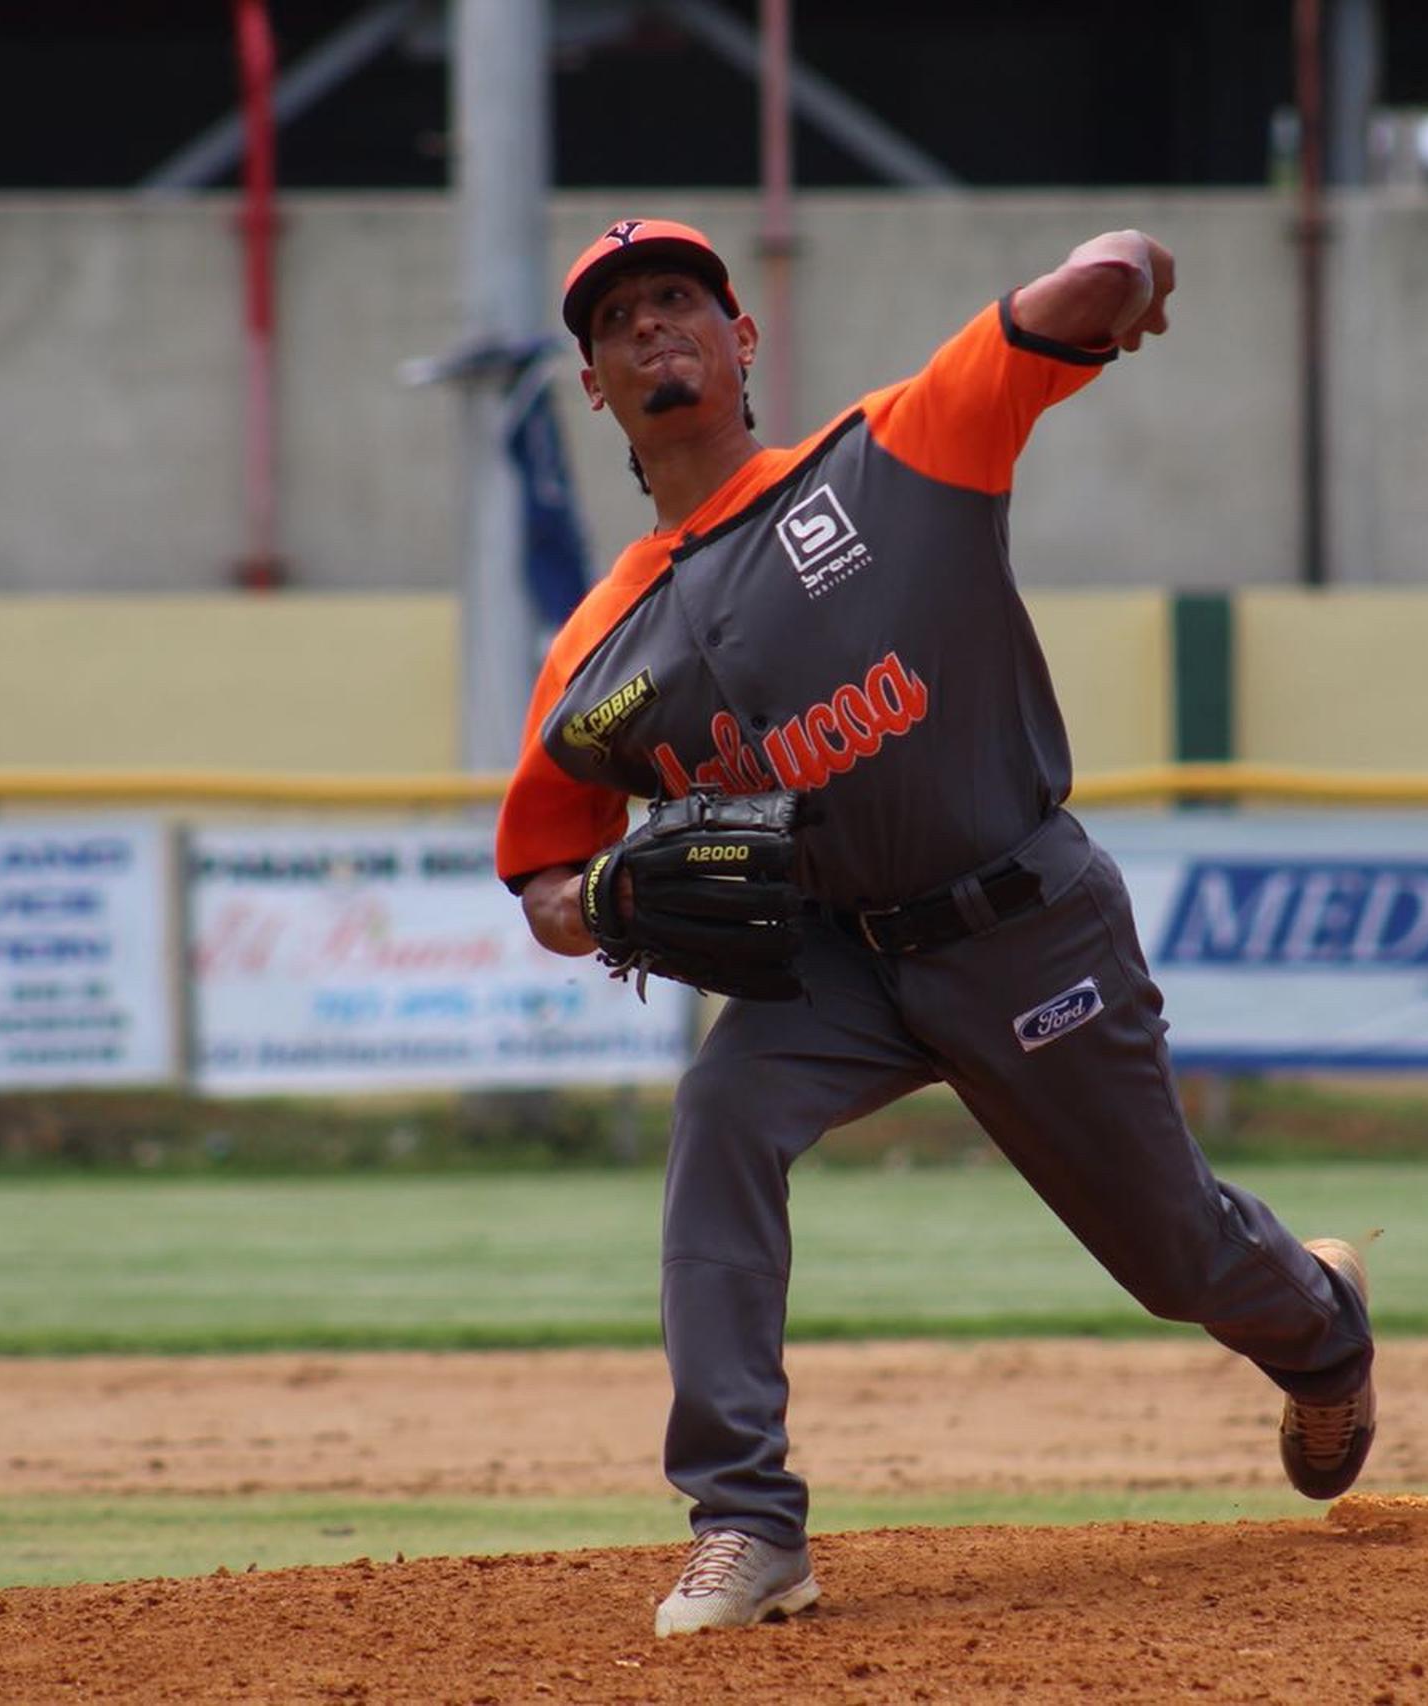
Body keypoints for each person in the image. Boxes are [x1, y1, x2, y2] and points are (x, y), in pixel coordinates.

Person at [495, 217, 1377, 1638]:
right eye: (616, 321)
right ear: (593, 382)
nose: (651, 327)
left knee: (1175, 1259)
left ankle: (1324, 1326)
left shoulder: (888, 460)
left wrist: (1131, 275)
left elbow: (1073, 294)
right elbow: (542, 872)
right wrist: (594, 898)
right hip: (835, 960)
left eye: (678, 299)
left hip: (1024, 920)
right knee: (722, 1113)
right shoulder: (600, 648)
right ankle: (746, 1521)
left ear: (743, 339)